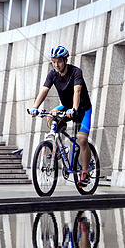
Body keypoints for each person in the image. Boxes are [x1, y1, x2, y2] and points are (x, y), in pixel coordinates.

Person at [29, 45, 93, 186]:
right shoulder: (52, 74)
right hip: (66, 107)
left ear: (65, 60)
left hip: (82, 109)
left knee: (82, 140)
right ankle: (60, 147)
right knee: (51, 115)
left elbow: (77, 91)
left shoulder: (76, 72)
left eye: (59, 61)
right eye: (53, 61)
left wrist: (74, 109)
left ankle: (85, 172)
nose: (56, 64)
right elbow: (44, 90)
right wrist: (35, 107)